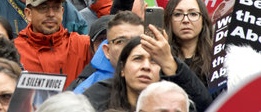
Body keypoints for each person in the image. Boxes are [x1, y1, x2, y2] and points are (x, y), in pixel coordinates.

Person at [83, 37, 212, 112]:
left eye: (154, 61)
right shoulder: (97, 98)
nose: (146, 66)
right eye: (138, 58)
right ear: (122, 68)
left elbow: (205, 106)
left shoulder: (174, 102)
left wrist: (169, 62)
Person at [14, 0, 98, 88]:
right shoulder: (14, 50)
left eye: (56, 8)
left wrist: (103, 0)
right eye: (43, 8)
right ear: (28, 14)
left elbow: (114, 49)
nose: (51, 14)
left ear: (62, 12)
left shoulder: (83, 45)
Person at [73, 12, 143, 94]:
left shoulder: (157, 76)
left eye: (136, 40)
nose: (129, 47)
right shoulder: (86, 92)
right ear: (107, 50)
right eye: (120, 41)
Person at [163, 0, 213, 86]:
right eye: (178, 14)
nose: (186, 20)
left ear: (203, 20)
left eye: (193, 14)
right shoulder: (159, 57)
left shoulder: (217, 59)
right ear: (169, 20)